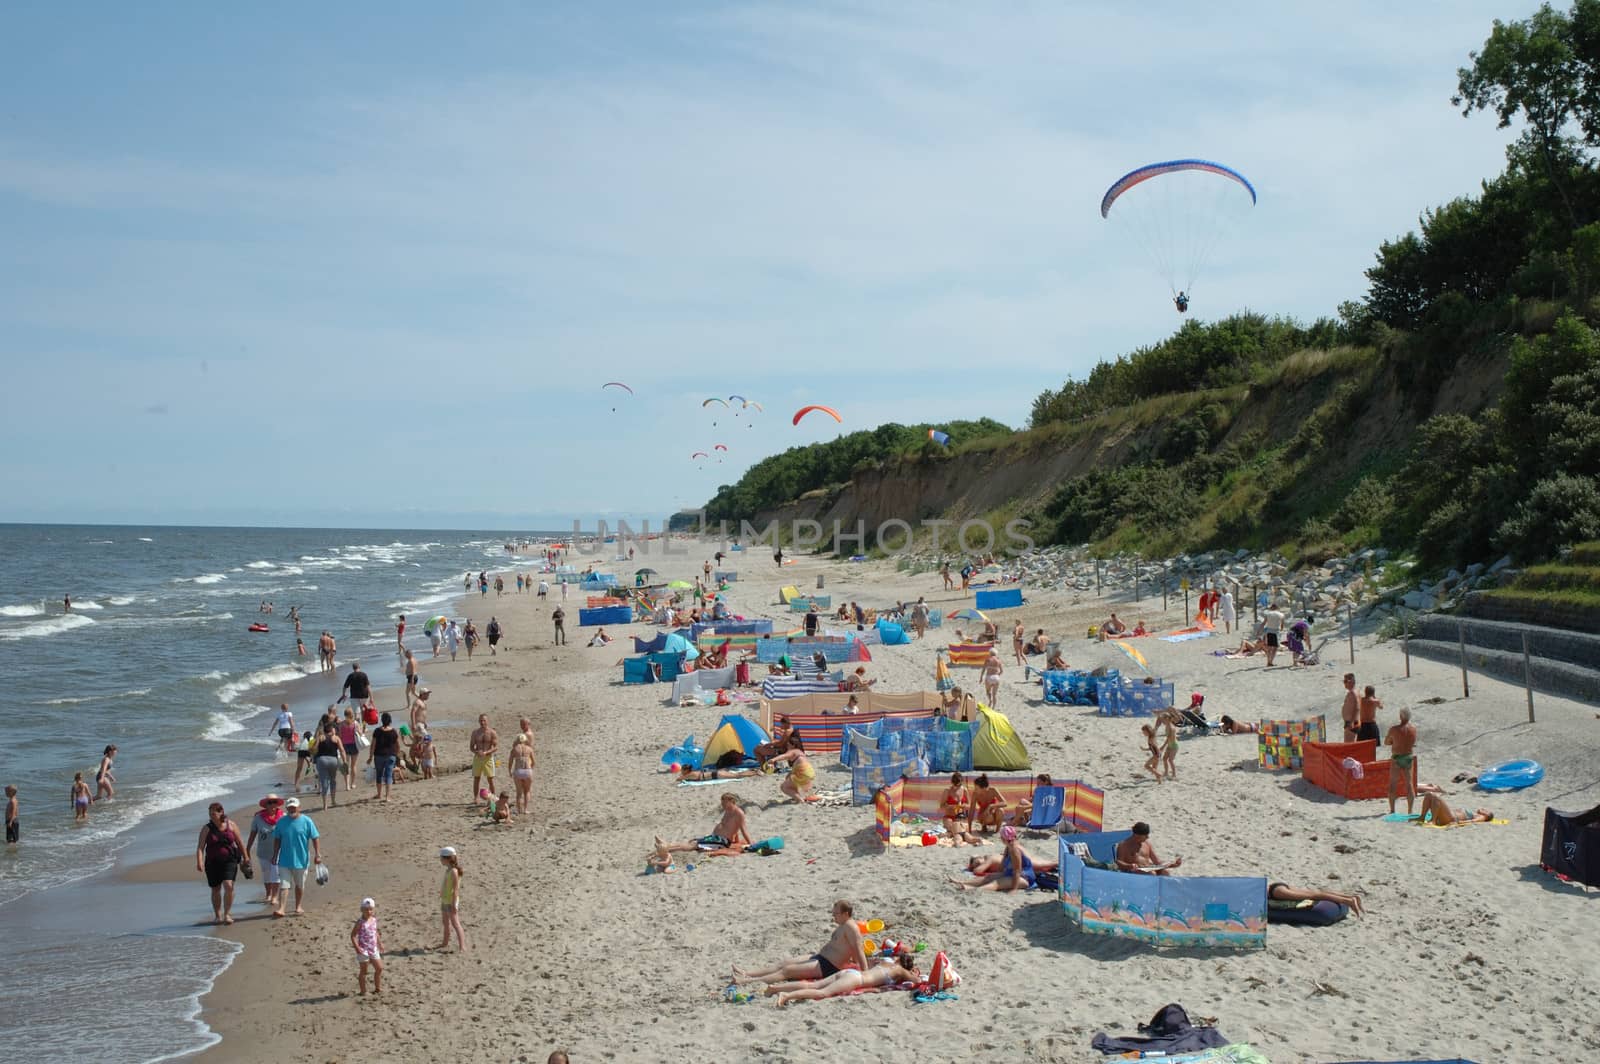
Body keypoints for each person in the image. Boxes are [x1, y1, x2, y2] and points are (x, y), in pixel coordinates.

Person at [733, 900, 868, 985]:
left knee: (787, 971)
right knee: (784, 963)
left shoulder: (851, 928)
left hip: (828, 966)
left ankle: (746, 981)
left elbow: (858, 950)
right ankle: (747, 973)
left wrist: (865, 973)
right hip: (821, 958)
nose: (833, 917)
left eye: (836, 914)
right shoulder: (843, 925)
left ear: (845, 914)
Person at [768, 953, 921, 1007]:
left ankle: (775, 988)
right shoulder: (900, 970)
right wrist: (914, 973)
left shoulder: (886, 961)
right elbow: (917, 981)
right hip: (855, 979)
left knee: (814, 984)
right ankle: (786, 996)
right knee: (821, 993)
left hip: (849, 972)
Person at [197, 801, 249, 925]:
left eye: (214, 814)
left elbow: (240, 842)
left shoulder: (231, 825)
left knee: (228, 885)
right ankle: (217, 915)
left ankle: (227, 914)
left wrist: (246, 857)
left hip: (230, 860)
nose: (211, 816)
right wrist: (199, 862)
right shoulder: (207, 829)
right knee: (215, 889)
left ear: (221, 812)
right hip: (212, 862)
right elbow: (200, 847)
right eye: (210, 814)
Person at [655, 792, 751, 856]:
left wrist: (752, 844)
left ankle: (665, 849)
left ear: (732, 801)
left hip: (721, 841)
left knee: (693, 845)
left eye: (724, 803)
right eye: (722, 804)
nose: (723, 806)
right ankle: (666, 845)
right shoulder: (728, 810)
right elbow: (734, 829)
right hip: (715, 838)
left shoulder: (739, 813)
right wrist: (736, 841)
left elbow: (743, 829)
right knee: (692, 843)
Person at [271, 797, 321, 917]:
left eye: (294, 807)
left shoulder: (307, 821)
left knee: (299, 885)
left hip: (301, 860)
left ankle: (298, 906)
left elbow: (315, 837)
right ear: (287, 808)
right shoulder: (281, 822)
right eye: (289, 808)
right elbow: (277, 839)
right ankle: (281, 908)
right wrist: (275, 855)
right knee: (284, 885)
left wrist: (318, 854)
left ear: (299, 807)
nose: (292, 809)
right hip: (284, 860)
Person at [951, 826, 1036, 891]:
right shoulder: (1008, 847)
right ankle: (962, 882)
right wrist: (997, 875)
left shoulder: (1015, 850)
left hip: (1024, 878)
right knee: (989, 877)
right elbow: (1002, 866)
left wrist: (1013, 890)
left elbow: (1017, 871)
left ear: (1003, 838)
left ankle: (970, 889)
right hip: (1011, 873)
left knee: (996, 883)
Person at [245, 794, 285, 909]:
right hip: (263, 851)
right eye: (270, 802)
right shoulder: (258, 818)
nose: (272, 804)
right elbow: (252, 834)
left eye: (274, 802)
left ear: (277, 804)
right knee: (266, 874)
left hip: (278, 851)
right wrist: (247, 850)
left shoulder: (283, 817)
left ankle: (275, 896)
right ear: (265, 805)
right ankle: (268, 894)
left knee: (276, 874)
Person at [1114, 822, 1181, 874]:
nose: (1147, 837)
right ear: (1137, 835)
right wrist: (1129, 866)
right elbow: (1119, 862)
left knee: (1165, 872)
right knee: (1151, 873)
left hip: (1148, 868)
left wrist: (1173, 864)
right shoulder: (1124, 845)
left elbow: (1157, 862)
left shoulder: (1147, 844)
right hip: (1134, 872)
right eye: (1145, 836)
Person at [1269, 881, 1365, 918]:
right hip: (1277, 886)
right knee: (1314, 893)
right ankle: (1349, 897)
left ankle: (1347, 901)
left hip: (1275, 892)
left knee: (1314, 896)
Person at [1385, 707, 1418, 815]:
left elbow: (1386, 742)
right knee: (1409, 784)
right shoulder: (1413, 729)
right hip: (1408, 757)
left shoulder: (1394, 729)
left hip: (1397, 757)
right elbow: (1412, 742)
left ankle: (1392, 810)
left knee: (1393, 784)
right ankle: (1410, 810)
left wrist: (1394, 742)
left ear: (1400, 716)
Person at [352, 897, 384, 994]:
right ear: (361, 910)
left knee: (379, 968)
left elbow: (375, 932)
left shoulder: (374, 920)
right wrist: (357, 948)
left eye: (371, 909)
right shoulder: (360, 922)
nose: (369, 911)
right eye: (366, 909)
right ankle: (363, 991)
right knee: (364, 971)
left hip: (373, 948)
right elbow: (353, 935)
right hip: (363, 949)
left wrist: (380, 943)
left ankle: (377, 988)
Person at [437, 846, 467, 951]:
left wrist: (454, 904)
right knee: (445, 923)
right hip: (445, 900)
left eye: (441, 858)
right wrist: (441, 892)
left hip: (451, 901)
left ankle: (462, 946)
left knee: (455, 923)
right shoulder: (448, 870)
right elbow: (446, 884)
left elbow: (455, 889)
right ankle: (444, 943)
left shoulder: (454, 871)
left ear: (447, 858)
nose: (440, 860)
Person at [369, 712, 402, 802]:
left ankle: (379, 794)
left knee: (379, 775)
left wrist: (370, 757)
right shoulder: (393, 731)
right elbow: (397, 745)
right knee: (389, 775)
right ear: (390, 721)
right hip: (391, 756)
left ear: (381, 720)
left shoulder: (377, 731)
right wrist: (397, 754)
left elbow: (373, 745)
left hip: (379, 755)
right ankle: (388, 796)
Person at [312, 726, 347, 810]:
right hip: (333, 760)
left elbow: (314, 749)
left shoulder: (320, 737)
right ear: (332, 730)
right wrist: (345, 761)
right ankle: (333, 801)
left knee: (324, 781)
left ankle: (325, 805)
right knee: (333, 780)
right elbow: (342, 750)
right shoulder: (336, 738)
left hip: (322, 760)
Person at [469, 715, 499, 808]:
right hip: (478, 758)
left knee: (490, 779)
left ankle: (493, 798)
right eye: (481, 721)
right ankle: (476, 797)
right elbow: (471, 747)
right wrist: (476, 752)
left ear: (487, 721)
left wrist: (486, 752)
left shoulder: (492, 732)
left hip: (488, 758)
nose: (482, 722)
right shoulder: (475, 733)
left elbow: (496, 747)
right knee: (476, 778)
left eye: (484, 721)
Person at [1419, 793, 1495, 826]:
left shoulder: (1482, 817)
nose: (1484, 809)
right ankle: (1422, 817)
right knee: (1429, 795)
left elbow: (1472, 822)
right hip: (1447, 816)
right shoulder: (1476, 814)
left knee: (1436, 798)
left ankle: (1433, 821)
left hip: (1451, 819)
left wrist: (1459, 823)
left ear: (1487, 815)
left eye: (1486, 811)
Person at [508, 732, 535, 815]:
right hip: (527, 771)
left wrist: (509, 771)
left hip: (518, 771)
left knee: (519, 793)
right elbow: (534, 762)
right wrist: (531, 769)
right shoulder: (529, 749)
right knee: (527, 791)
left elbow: (510, 762)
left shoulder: (514, 749)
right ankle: (525, 809)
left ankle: (519, 810)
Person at [337, 709, 363, 792]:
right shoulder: (355, 723)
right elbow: (361, 734)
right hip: (354, 745)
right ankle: (353, 783)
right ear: (352, 714)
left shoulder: (341, 724)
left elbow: (340, 736)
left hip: (344, 746)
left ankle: (347, 785)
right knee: (353, 765)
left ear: (345, 715)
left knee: (346, 765)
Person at [1158, 710, 1180, 781]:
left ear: (1167, 719)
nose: (1162, 721)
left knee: (1170, 760)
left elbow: (1169, 738)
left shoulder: (1171, 728)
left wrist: (1163, 747)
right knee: (1164, 759)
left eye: (1163, 720)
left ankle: (1174, 774)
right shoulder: (1167, 726)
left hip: (1174, 746)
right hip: (1170, 745)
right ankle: (1166, 773)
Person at [1340, 673, 1360, 742]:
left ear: (1351, 682)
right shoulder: (1353, 692)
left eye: (1345, 681)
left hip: (1351, 722)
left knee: (1348, 746)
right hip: (1351, 721)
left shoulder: (1353, 693)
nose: (1344, 684)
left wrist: (1351, 721)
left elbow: (1357, 708)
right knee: (1349, 745)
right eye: (1344, 681)